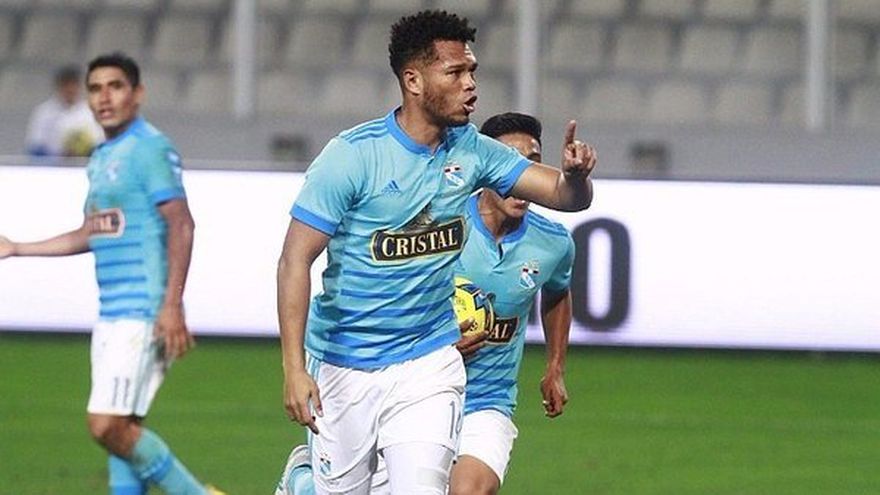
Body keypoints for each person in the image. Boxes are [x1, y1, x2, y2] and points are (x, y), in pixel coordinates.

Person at [277, 10, 595, 495]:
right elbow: (294, 261)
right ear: (414, 81)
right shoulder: (352, 157)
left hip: (428, 361)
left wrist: (574, 177)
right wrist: (294, 369)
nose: (471, 85)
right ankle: (305, 480)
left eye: (472, 72)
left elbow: (564, 196)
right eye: (455, 72)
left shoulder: (473, 150)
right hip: (346, 361)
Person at [0, 53, 223, 495]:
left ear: (137, 94)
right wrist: (18, 248)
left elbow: (181, 223)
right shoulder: (102, 156)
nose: (104, 97)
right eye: (96, 88)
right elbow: (92, 231)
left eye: (115, 86)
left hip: (142, 312)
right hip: (112, 314)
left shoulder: (149, 148)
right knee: (123, 433)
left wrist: (171, 305)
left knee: (105, 424)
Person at [448, 112, 574, 495]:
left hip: (487, 399)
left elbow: (557, 292)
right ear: (486, 167)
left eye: (531, 166)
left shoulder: (553, 244)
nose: (521, 180)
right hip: (420, 388)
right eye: (509, 164)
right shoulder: (444, 226)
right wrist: (438, 343)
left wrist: (555, 366)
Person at [25, 64, 103, 158]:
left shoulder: (91, 111)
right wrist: (58, 156)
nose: (70, 89)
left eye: (73, 84)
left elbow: (102, 144)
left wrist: (84, 152)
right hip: (54, 165)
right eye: (66, 85)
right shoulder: (44, 112)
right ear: (58, 86)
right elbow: (35, 147)